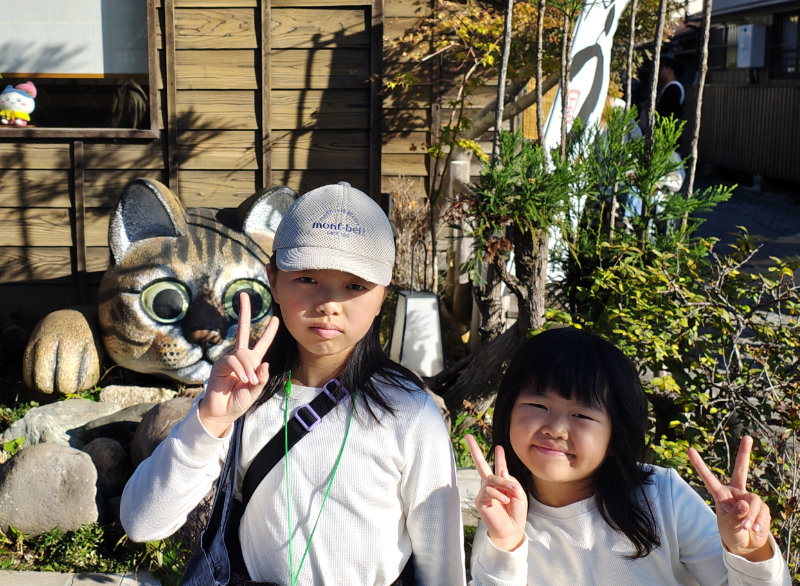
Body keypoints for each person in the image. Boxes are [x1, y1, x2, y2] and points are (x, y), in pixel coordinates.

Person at [120, 182, 466, 585]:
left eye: (355, 285)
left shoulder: (408, 412)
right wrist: (210, 421)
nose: (328, 304)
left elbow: (442, 567)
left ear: (382, 296)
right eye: (307, 278)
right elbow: (141, 522)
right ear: (273, 280)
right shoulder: (245, 396)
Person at [466, 326, 791, 585]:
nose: (556, 429)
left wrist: (750, 553)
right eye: (538, 405)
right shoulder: (505, 515)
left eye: (581, 415)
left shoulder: (662, 496)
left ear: (615, 432)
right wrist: (506, 546)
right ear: (508, 409)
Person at [656, 56, 685, 127]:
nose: (660, 72)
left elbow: (667, 111)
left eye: (662, 69)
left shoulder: (674, 88)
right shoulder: (669, 87)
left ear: (669, 70)